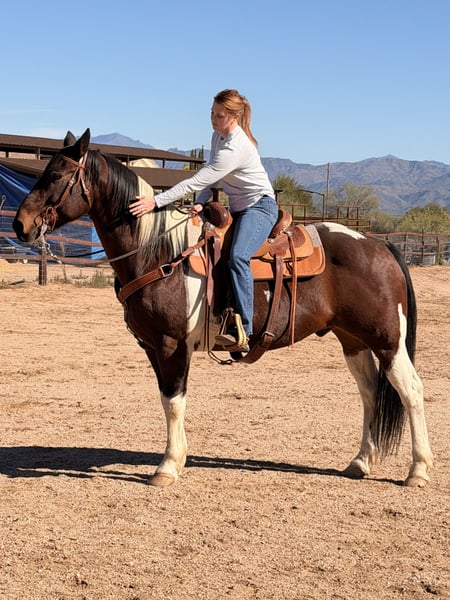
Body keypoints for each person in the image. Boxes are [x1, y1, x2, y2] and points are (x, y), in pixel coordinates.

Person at [129, 89, 278, 352]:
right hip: (239, 209)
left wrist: (156, 201)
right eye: (211, 113)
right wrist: (201, 201)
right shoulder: (218, 137)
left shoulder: (236, 147)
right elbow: (210, 178)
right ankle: (218, 313)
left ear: (234, 117)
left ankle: (244, 329)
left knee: (238, 257)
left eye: (219, 115)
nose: (213, 119)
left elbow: (198, 179)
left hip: (260, 207)